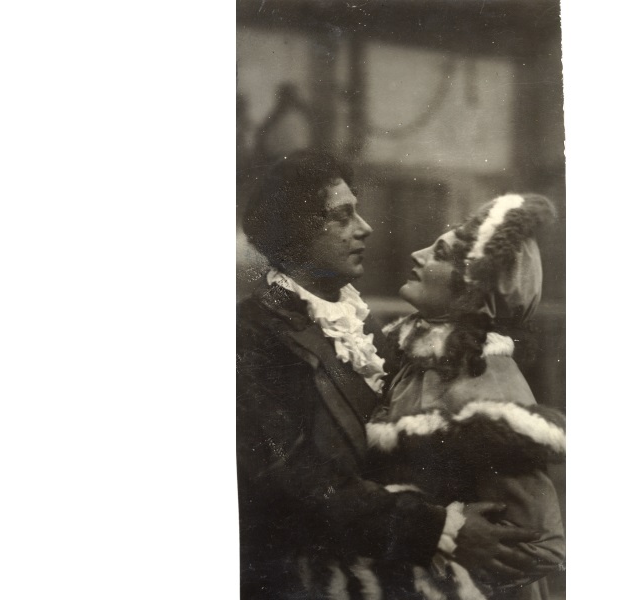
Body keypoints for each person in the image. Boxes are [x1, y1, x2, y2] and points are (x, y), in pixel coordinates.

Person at [236, 150, 546, 600]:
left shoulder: (367, 332)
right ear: (295, 230)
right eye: (342, 216)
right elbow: (292, 480)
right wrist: (437, 528)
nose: (365, 228)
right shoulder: (252, 334)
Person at [357, 193, 566, 599]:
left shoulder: (484, 382)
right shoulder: (425, 364)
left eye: (439, 254)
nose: (417, 255)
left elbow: (544, 545)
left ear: (474, 291)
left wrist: (453, 539)